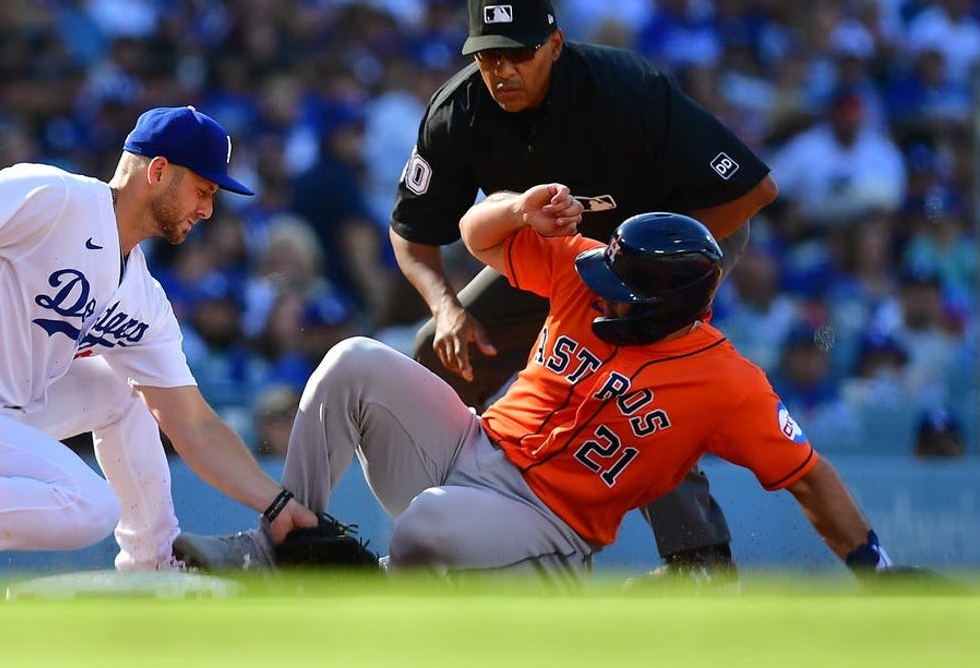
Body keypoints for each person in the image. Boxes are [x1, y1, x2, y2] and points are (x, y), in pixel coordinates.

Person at [175, 185, 898, 585]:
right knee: (352, 360)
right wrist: (519, 208)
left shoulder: (727, 382)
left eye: (622, 290)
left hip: (546, 529)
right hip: (470, 445)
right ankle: (283, 545)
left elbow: (807, 475)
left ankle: (359, 589)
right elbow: (475, 231)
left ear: (673, 302)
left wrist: (876, 566)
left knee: (426, 522)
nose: (602, 290)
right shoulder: (588, 267)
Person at [0, 105, 318, 600]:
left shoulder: (143, 296)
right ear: (159, 171)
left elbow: (191, 422)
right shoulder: (55, 197)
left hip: (2, 417)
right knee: (91, 506)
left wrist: (277, 505)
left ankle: (154, 560)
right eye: (203, 190)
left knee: (122, 390)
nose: (208, 209)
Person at [387, 0, 779, 580]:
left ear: (554, 44)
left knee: (624, 370)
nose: (503, 71)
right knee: (434, 354)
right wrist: (446, 308)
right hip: (557, 257)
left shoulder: (624, 88)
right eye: (489, 56)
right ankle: (447, 530)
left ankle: (699, 562)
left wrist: (648, 267)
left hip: (666, 252)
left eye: (519, 53)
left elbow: (752, 190)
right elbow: (412, 233)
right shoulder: (458, 111)